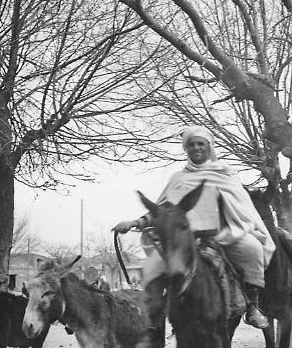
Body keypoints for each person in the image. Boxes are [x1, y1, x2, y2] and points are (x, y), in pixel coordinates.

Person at [112, 125, 275, 329]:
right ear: (185, 149)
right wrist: (135, 222)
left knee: (252, 249)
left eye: (200, 144)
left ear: (209, 147)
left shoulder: (226, 175)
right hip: (184, 237)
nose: (196, 148)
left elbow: (242, 209)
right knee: (155, 265)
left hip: (224, 234)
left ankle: (253, 306)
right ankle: (153, 315)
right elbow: (162, 208)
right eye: (191, 145)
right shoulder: (178, 179)